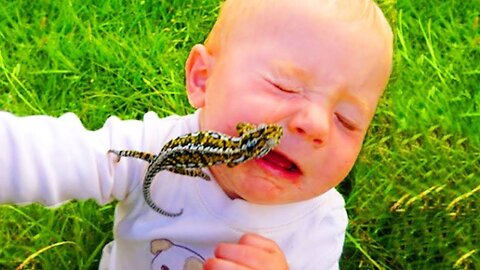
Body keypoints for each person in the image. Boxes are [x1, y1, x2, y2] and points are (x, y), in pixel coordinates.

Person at [0, 0, 393, 269]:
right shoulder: (155, 148)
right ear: (203, 79)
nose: (317, 125)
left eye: (347, 121)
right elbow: (53, 154)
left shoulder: (320, 222)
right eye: (284, 86)